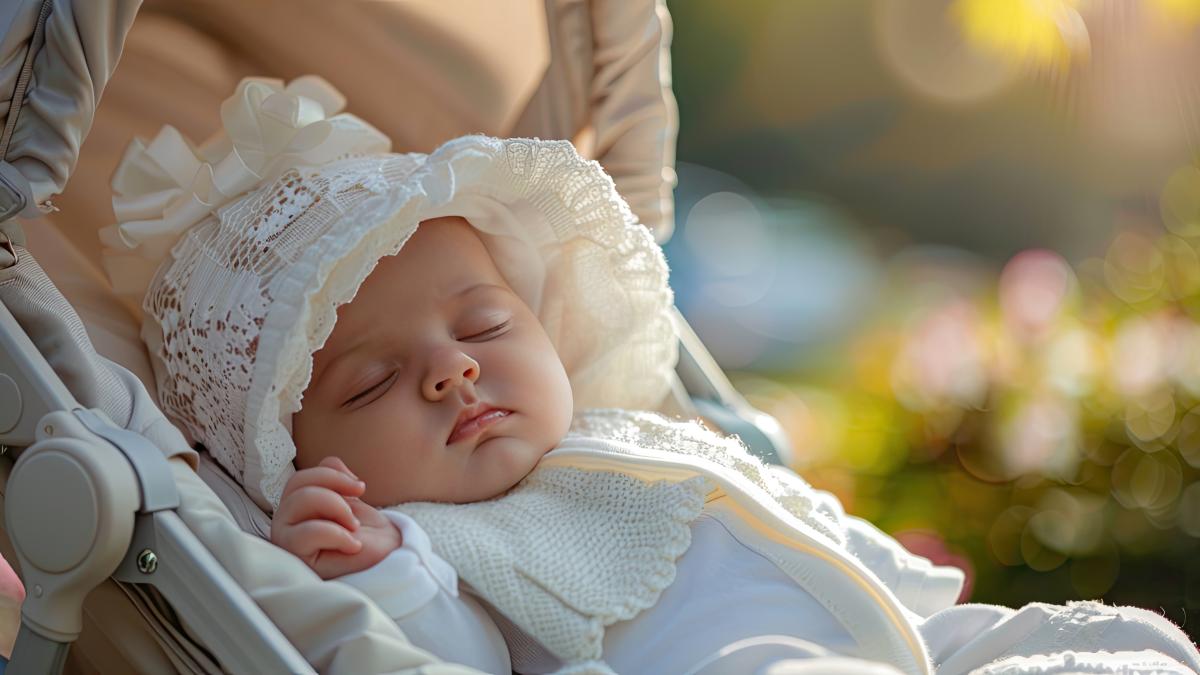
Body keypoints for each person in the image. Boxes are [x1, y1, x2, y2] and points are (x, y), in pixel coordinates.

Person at [101, 77, 1200, 675]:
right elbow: (439, 661)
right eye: (371, 383)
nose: (452, 369)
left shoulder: (629, 433)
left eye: (485, 322)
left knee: (1126, 653)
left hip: (887, 639)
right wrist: (373, 574)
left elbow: (787, 518)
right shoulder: (427, 550)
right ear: (294, 456)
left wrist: (915, 596)